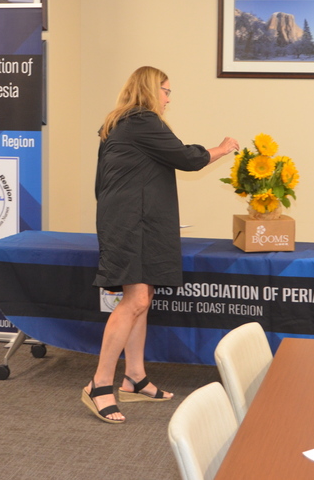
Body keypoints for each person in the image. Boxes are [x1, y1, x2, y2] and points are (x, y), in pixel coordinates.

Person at [82, 66, 238, 424]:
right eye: (166, 90)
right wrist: (223, 147)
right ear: (151, 90)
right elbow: (187, 158)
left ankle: (134, 378)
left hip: (134, 221)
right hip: (131, 223)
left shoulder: (119, 123)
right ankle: (99, 384)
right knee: (135, 300)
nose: (168, 98)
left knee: (143, 297)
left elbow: (102, 183)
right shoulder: (141, 120)